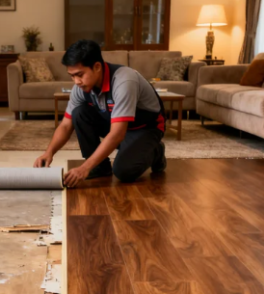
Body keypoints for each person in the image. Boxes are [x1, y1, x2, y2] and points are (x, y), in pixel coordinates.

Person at [33, 40, 167, 187]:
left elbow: (117, 134)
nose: (76, 81)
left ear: (97, 67)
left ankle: (156, 152)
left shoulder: (124, 80)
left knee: (124, 172)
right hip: (117, 126)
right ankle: (100, 167)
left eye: (79, 74)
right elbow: (65, 125)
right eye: (72, 76)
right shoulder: (81, 87)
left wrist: (84, 168)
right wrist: (49, 152)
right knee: (79, 113)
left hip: (146, 128)